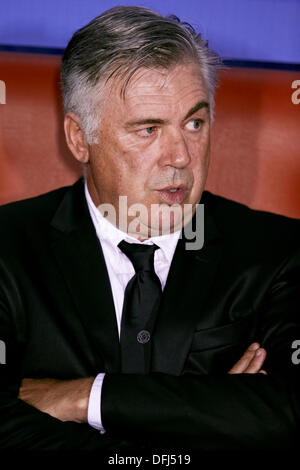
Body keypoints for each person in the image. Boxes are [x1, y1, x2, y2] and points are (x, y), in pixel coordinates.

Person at [0, 5, 299, 451]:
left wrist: (88, 398)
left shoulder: (281, 253)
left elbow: (292, 410)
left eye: (194, 123)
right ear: (80, 138)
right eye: (148, 129)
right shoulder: (8, 248)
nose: (180, 157)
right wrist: (211, 420)